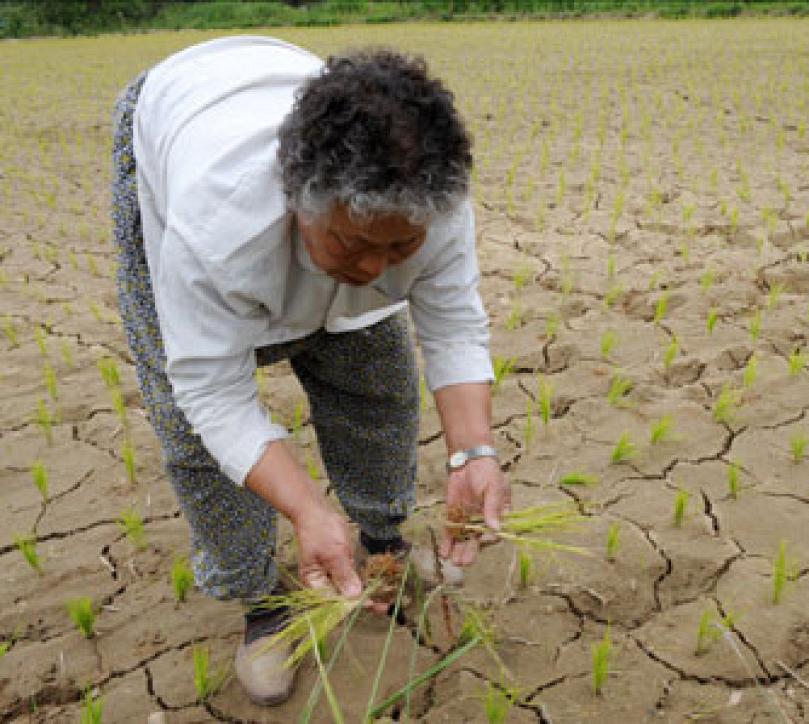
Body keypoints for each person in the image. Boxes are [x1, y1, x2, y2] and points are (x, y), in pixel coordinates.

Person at [109, 35, 511, 706]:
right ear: (297, 197)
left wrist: (474, 451)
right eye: (354, 244)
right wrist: (305, 508)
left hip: (284, 109)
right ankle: (264, 603)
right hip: (175, 115)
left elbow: (453, 326)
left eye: (400, 249)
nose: (376, 269)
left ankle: (382, 546)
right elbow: (212, 391)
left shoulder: (430, 199)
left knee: (376, 378)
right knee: (193, 437)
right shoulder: (214, 225)